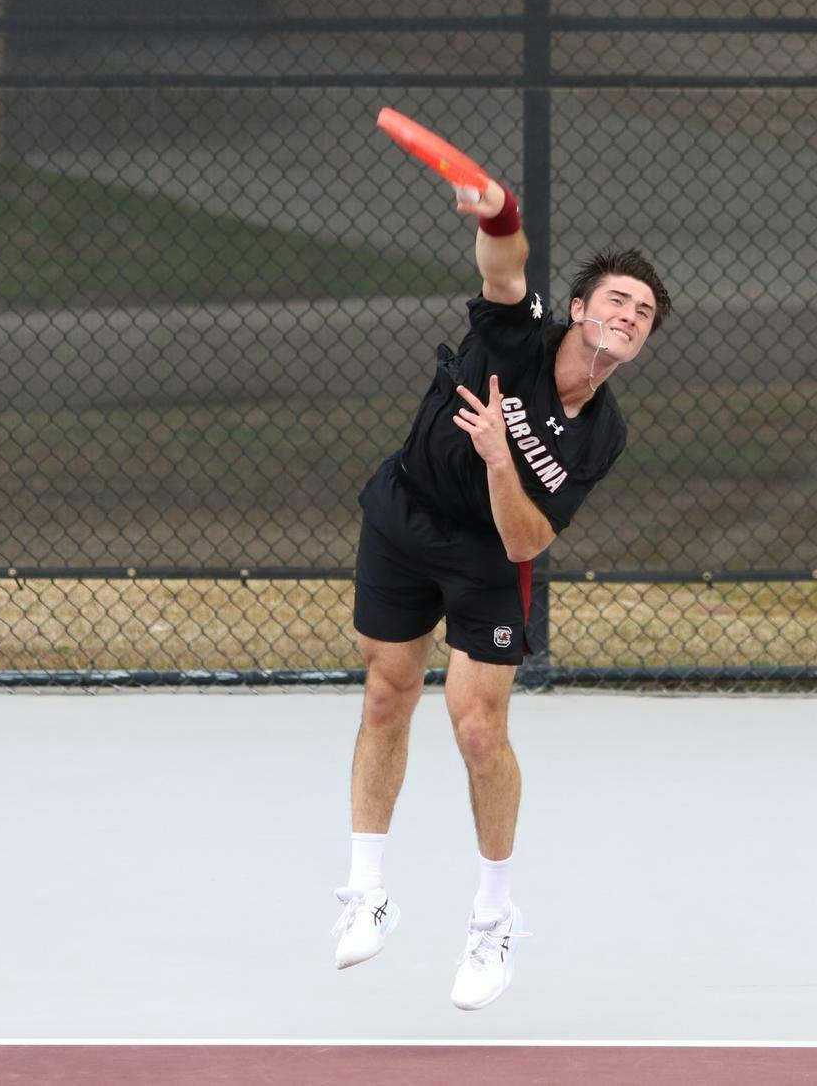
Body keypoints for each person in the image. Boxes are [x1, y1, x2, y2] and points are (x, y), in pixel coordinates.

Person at [330, 172, 670, 1010]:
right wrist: (500, 213)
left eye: (643, 314)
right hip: (405, 514)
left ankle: (492, 919)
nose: (627, 316)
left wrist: (498, 459)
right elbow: (504, 269)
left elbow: (528, 539)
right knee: (386, 694)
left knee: (479, 728)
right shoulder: (519, 337)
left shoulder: (603, 432)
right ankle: (367, 890)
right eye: (616, 300)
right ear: (582, 308)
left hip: (489, 552)